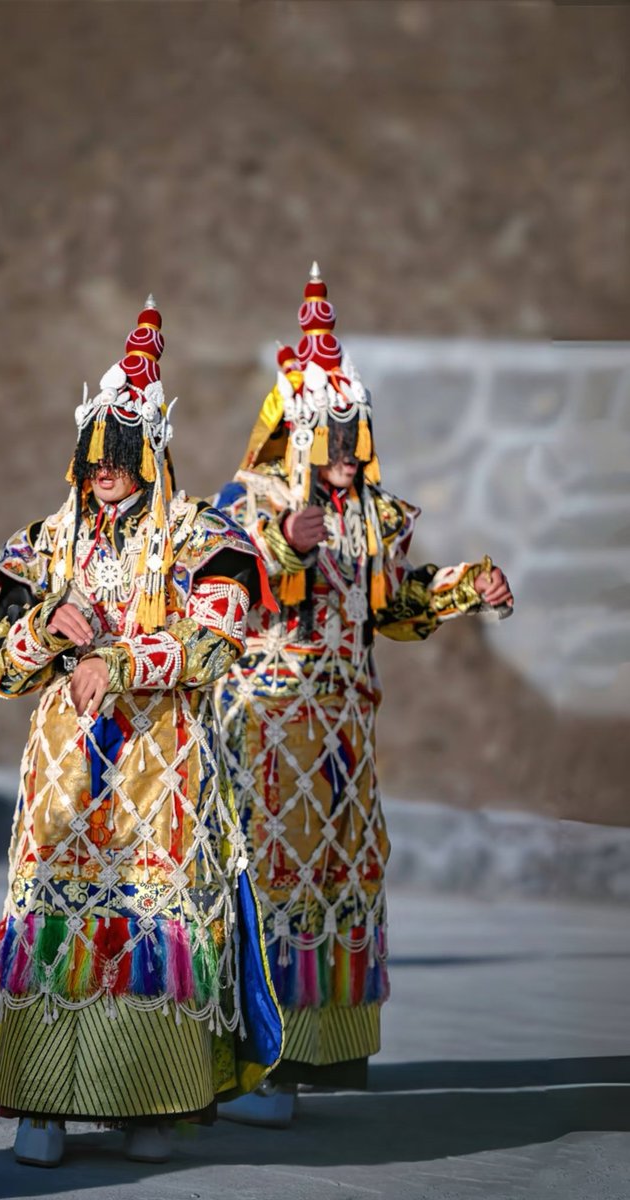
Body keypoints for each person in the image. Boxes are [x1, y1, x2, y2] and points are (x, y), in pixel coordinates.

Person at [0, 297, 282, 1166]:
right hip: (65, 775)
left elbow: (214, 644)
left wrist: (121, 661)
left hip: (160, 771)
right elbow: (0, 669)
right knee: (57, 928)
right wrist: (41, 634)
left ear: (153, 452)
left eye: (123, 454)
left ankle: (149, 1104)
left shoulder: (199, 537)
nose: (105, 470)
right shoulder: (44, 544)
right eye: (95, 454)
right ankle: (42, 1106)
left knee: (150, 933)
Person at [214, 264, 513, 1127]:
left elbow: (393, 606)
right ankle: (248, 1060)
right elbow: (227, 580)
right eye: (329, 440)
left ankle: (304, 1053)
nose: (344, 456)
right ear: (294, 433)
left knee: (330, 885)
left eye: (353, 439)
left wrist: (464, 587)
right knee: (265, 884)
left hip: (343, 734)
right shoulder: (251, 500)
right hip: (266, 729)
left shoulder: (373, 516)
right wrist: (286, 548)